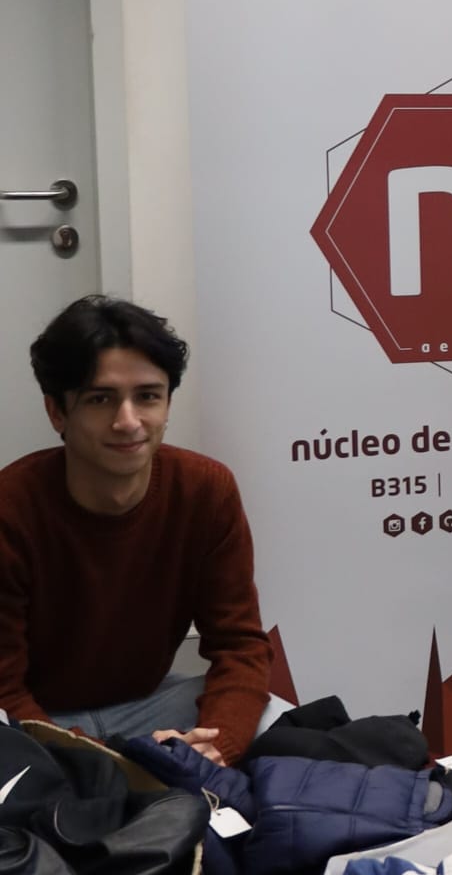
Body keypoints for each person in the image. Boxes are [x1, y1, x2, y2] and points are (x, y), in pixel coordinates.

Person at [0, 296, 273, 764]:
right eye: (100, 399)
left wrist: (215, 747)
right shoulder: (11, 508)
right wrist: (109, 765)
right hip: (35, 721)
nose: (128, 422)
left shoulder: (206, 489)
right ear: (57, 412)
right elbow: (5, 689)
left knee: (269, 716)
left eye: (147, 396)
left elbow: (240, 646)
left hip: (150, 706)